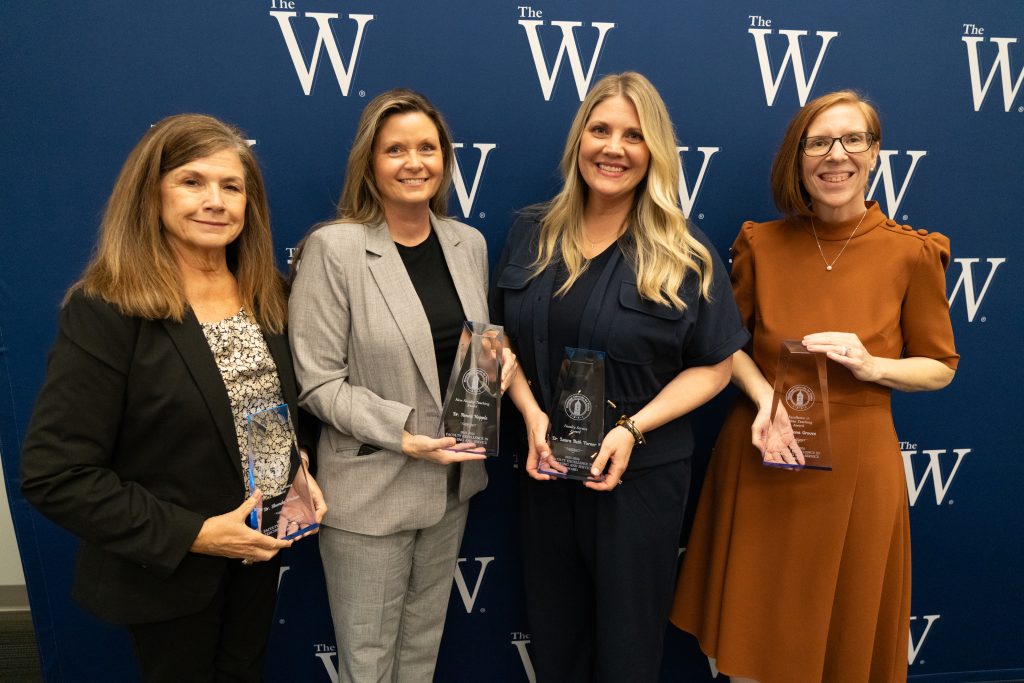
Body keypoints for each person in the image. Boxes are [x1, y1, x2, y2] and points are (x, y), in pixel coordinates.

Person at [20, 113, 327, 682]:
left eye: (231, 187)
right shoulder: (108, 309)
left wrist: (298, 464)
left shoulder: (270, 298)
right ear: (151, 193)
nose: (215, 201)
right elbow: (54, 474)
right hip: (169, 578)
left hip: (257, 560)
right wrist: (199, 535)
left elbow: (265, 407)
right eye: (192, 182)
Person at [671, 90, 958, 683]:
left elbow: (940, 365)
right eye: (820, 142)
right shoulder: (761, 245)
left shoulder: (911, 254)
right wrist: (765, 400)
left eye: (853, 139)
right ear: (798, 157)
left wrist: (874, 366)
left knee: (841, 648)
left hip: (856, 469)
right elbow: (730, 347)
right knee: (749, 644)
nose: (837, 155)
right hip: (764, 455)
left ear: (874, 153)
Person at [490, 72, 749, 682]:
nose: (614, 148)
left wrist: (633, 428)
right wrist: (529, 415)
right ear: (578, 138)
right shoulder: (531, 231)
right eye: (600, 130)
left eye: (634, 136)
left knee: (627, 652)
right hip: (546, 471)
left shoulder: (684, 250)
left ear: (654, 151)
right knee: (557, 642)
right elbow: (501, 343)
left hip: (638, 481)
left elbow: (714, 367)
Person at [288, 89, 514, 683]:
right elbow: (318, 382)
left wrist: (499, 365)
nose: (414, 162)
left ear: (444, 159)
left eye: (427, 148)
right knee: (367, 664)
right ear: (370, 161)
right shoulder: (333, 248)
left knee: (421, 653)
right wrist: (407, 434)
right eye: (395, 149)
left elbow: (470, 346)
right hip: (370, 488)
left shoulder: (469, 244)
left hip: (450, 485)